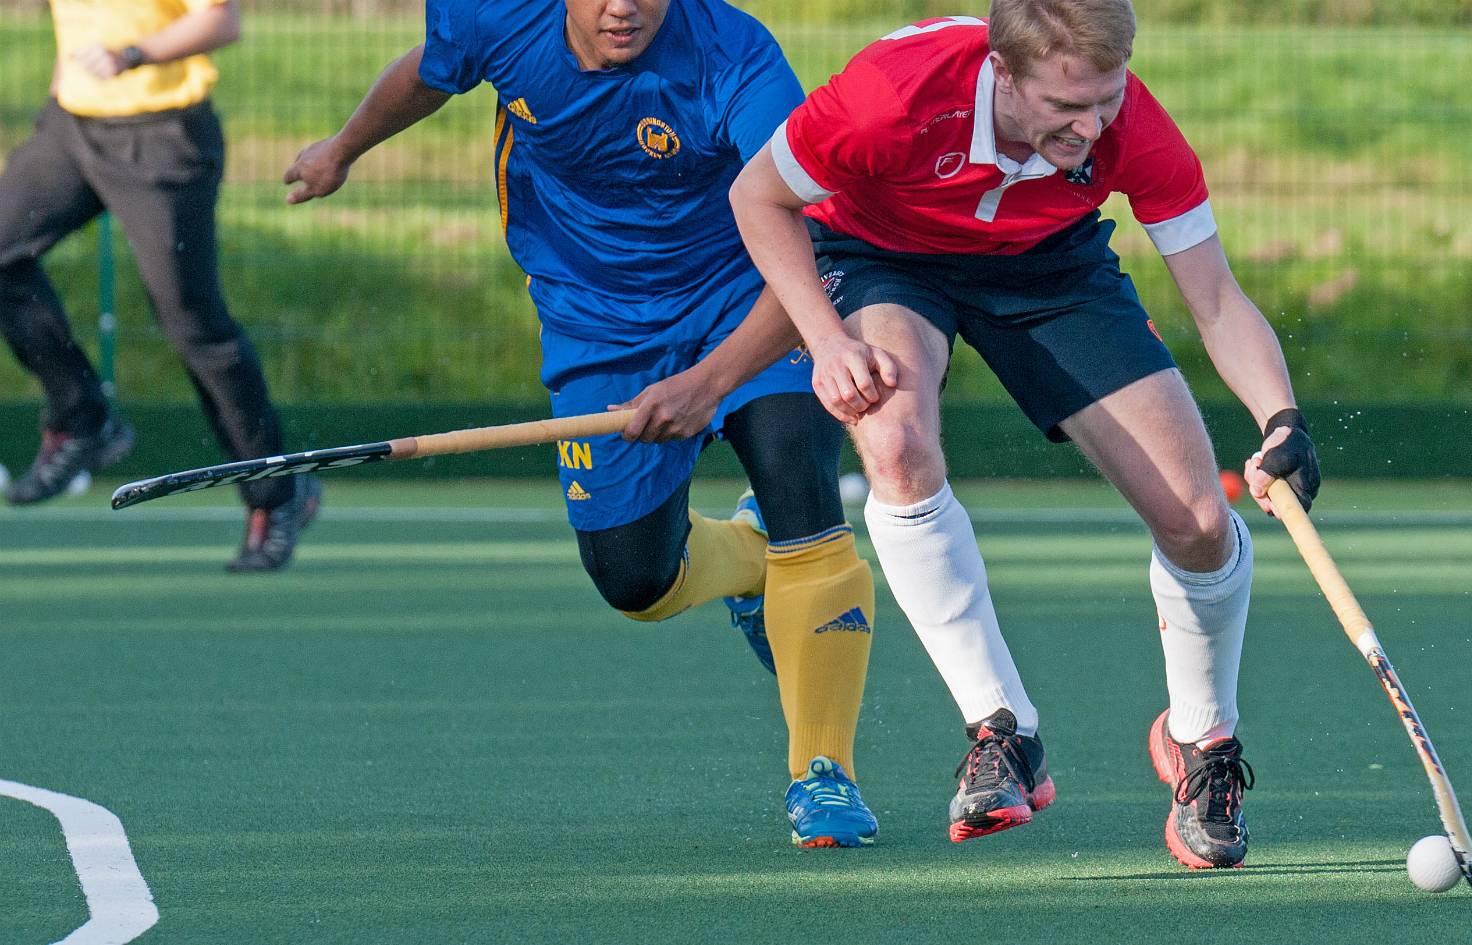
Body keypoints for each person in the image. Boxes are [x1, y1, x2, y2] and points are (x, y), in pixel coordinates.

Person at [730, 0, 1320, 866]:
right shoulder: (892, 96)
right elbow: (759, 193)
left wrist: (1282, 417)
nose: (1091, 127)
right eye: (1066, 107)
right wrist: (825, 339)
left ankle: (1204, 740)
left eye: (1106, 100)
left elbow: (1219, 300)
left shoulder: (1131, 127)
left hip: (1051, 264)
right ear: (1002, 74)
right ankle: (1001, 728)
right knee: (892, 440)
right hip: (884, 254)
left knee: (1197, 518)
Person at [283, 0, 880, 847]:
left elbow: (809, 238)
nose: (622, 8)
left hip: (753, 294)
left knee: (798, 476)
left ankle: (824, 774)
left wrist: (711, 382)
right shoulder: (496, 16)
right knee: (635, 580)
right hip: (594, 321)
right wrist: (342, 149)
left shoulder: (734, 53)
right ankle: (751, 564)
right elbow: (428, 71)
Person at [0, 0, 321, 570]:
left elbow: (222, 21)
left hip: (164, 137)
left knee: (192, 324)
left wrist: (132, 55)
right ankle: (83, 419)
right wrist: (59, 105)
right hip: (71, 127)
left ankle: (278, 492)